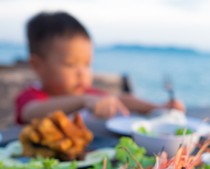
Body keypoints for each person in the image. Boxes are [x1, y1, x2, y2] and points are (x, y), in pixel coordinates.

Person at [15, 11, 185, 124]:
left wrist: (159, 107)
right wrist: (82, 101)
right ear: (37, 65)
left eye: (87, 64)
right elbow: (31, 112)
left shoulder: (88, 94)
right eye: (70, 64)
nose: (82, 72)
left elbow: (122, 100)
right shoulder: (31, 97)